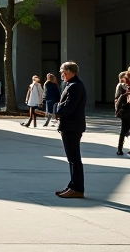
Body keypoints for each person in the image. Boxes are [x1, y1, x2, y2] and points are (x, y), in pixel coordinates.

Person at [55, 61, 86, 198]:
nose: (61, 74)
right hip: (70, 126)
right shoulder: (72, 85)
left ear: (68, 72)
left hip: (72, 126)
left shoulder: (74, 86)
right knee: (72, 159)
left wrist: (58, 111)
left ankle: (77, 188)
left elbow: (68, 107)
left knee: (74, 159)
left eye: (62, 71)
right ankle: (73, 185)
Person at [114, 71, 130, 156]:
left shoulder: (122, 87)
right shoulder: (127, 87)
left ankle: (120, 149)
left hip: (124, 111)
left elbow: (117, 99)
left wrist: (117, 110)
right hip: (129, 110)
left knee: (124, 131)